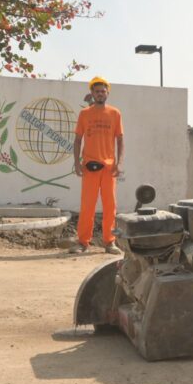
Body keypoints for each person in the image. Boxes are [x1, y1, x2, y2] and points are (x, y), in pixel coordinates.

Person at [69, 76, 124, 255]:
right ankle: (83, 242)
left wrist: (119, 162)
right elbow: (77, 140)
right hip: (89, 166)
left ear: (107, 93)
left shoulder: (115, 113)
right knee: (87, 206)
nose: (100, 94)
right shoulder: (85, 114)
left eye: (103, 91)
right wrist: (76, 162)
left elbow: (120, 140)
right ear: (92, 93)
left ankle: (110, 242)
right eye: (97, 91)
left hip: (109, 168)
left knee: (110, 207)